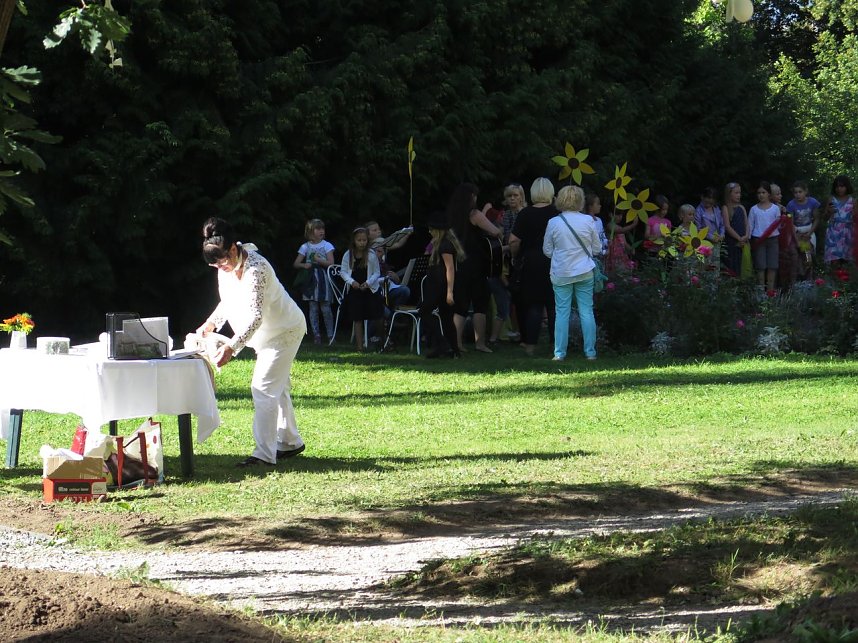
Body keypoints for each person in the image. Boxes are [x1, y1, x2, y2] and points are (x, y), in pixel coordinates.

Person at [198, 217, 307, 468]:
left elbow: (255, 316)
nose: (220, 269)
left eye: (222, 263)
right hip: (266, 334)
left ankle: (264, 455)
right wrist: (211, 323)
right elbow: (228, 301)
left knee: (263, 388)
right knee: (277, 388)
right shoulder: (225, 267)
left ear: (233, 250)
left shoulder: (256, 268)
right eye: (215, 266)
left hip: (285, 331)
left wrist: (231, 348)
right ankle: (290, 442)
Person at [543, 186, 601, 362]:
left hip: (561, 272)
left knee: (562, 312)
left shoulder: (554, 222)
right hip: (584, 271)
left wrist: (561, 256)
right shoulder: (588, 221)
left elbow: (547, 250)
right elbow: (597, 248)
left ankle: (559, 353)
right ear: (580, 200)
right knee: (586, 311)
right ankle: (590, 352)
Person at [447, 182, 504, 353]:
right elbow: (495, 232)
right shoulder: (475, 214)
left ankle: (456, 344)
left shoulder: (451, 215)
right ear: (471, 197)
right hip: (476, 263)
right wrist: (486, 213)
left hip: (459, 263)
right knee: (480, 303)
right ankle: (480, 344)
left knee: (461, 305)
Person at [509, 178, 558, 356]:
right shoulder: (556, 213)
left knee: (534, 305)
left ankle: (530, 345)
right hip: (554, 261)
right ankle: (556, 346)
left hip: (530, 261)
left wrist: (516, 256)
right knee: (553, 306)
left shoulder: (525, 213)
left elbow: (513, 240)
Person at [421, 211, 465, 358]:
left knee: (424, 312)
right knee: (446, 317)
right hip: (438, 284)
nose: (429, 232)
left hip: (440, 286)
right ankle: (453, 350)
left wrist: (449, 292)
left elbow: (450, 268)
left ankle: (443, 344)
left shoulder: (445, 245)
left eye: (431, 229)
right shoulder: (440, 243)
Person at [340, 227, 384, 351]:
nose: (362, 243)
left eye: (364, 240)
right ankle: (360, 347)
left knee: (378, 316)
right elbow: (343, 272)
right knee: (357, 318)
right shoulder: (348, 254)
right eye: (359, 240)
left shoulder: (371, 254)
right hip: (355, 290)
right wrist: (351, 282)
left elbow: (376, 272)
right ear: (354, 240)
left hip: (370, 290)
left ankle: (382, 344)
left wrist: (368, 283)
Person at [293, 219, 335, 344]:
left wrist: (318, 260)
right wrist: (304, 265)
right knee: (313, 307)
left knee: (325, 307)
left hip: (323, 278)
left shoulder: (327, 245)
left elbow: (331, 263)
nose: (321, 231)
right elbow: (296, 263)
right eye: (317, 229)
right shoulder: (305, 246)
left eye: (322, 228)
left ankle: (330, 335)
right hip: (310, 280)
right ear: (310, 232)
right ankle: (316, 335)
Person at [748, 181, 781, 292]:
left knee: (772, 266)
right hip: (758, 240)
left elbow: (779, 225)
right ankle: (760, 293)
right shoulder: (754, 209)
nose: (761, 195)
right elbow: (750, 225)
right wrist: (748, 239)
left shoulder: (775, 209)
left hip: (773, 240)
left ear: (769, 194)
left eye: (763, 192)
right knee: (760, 266)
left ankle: (771, 292)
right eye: (759, 193)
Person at [786, 180, 821, 279]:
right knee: (795, 257)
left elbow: (817, 219)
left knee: (809, 256)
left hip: (809, 231)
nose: (798, 194)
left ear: (806, 191)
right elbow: (790, 222)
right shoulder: (791, 205)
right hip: (796, 232)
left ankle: (810, 280)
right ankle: (795, 282)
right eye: (795, 192)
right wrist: (796, 237)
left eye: (800, 192)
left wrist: (809, 233)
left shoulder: (813, 202)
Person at [823, 175, 855, 266]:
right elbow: (824, 218)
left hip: (848, 233)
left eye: (842, 186)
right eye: (837, 186)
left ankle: (845, 279)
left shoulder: (852, 201)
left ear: (847, 186)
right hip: (833, 233)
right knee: (834, 261)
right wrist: (829, 212)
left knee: (847, 261)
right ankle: (833, 279)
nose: (839, 189)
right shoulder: (831, 199)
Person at [772, 183, 799, 290]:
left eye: (780, 193)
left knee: (793, 256)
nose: (781, 196)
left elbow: (789, 221)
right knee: (778, 263)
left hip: (787, 239)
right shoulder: (772, 209)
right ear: (770, 196)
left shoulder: (783, 208)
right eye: (777, 194)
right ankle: (776, 288)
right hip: (776, 240)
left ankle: (792, 285)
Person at [722, 182, 749, 278]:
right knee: (732, 265)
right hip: (732, 242)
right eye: (736, 193)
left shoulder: (741, 207)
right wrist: (739, 238)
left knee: (742, 265)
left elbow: (746, 223)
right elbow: (727, 226)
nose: (739, 195)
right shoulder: (726, 208)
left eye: (740, 193)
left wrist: (745, 236)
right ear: (729, 194)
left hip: (742, 242)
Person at [695, 187, 724, 268]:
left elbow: (722, 224)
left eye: (712, 198)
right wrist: (711, 237)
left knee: (715, 266)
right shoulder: (698, 211)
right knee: (705, 267)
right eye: (708, 197)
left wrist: (722, 235)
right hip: (704, 243)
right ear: (702, 197)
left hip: (717, 241)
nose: (710, 200)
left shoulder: (716, 209)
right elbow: (698, 229)